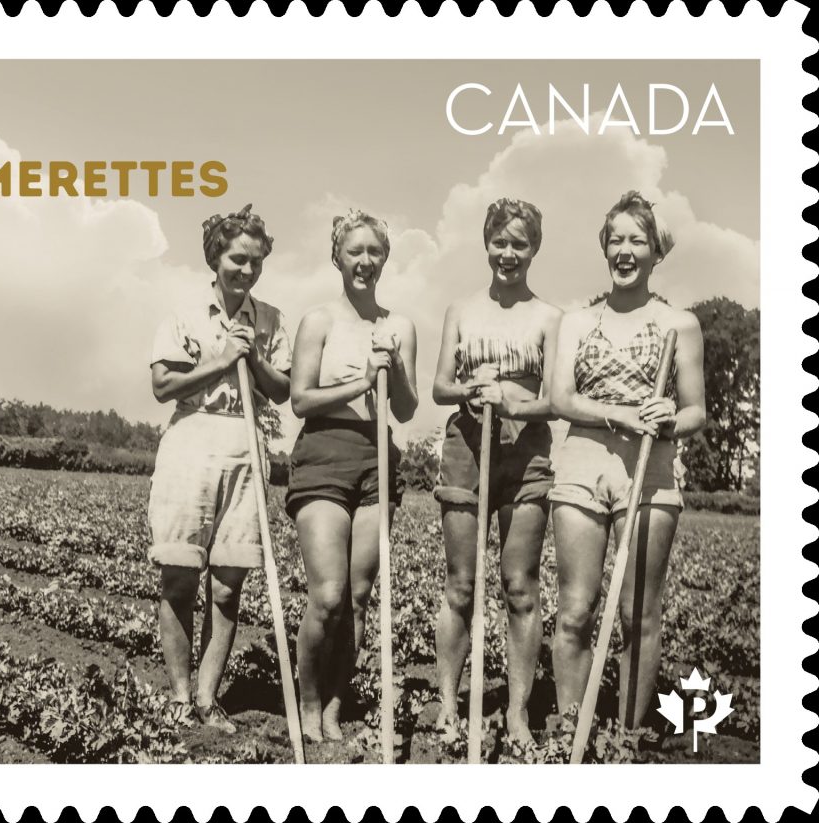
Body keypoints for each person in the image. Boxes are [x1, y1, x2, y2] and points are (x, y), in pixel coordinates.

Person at [548, 191, 706, 732]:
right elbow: (563, 399)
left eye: (637, 239)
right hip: (581, 464)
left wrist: (666, 417)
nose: (624, 249)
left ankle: (629, 739)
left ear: (656, 251)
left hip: (651, 467)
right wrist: (622, 415)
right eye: (615, 238)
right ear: (604, 248)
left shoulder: (679, 324)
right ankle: (574, 734)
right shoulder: (576, 320)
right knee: (575, 610)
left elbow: (696, 412)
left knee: (639, 614)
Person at [147, 204, 291, 733]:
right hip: (191, 439)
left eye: (256, 262)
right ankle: (181, 697)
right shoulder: (184, 315)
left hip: (246, 444)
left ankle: (209, 698)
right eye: (237, 260)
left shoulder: (271, 319)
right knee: (180, 575)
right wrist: (221, 358)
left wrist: (251, 359)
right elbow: (163, 386)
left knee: (229, 585)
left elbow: (284, 391)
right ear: (215, 257)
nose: (247, 271)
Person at [431, 198, 561, 746]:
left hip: (525, 451)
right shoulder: (461, 309)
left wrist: (511, 403)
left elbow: (555, 400)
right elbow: (440, 387)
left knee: (519, 586)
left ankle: (516, 711)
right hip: (467, 445)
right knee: (460, 584)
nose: (509, 253)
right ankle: (446, 704)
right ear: (486, 244)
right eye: (500, 242)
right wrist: (470, 391)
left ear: (534, 248)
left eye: (520, 243)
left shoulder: (549, 317)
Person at [287, 209, 418, 742]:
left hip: (376, 458)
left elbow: (406, 411)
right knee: (329, 595)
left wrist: (396, 371)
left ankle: (336, 704)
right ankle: (308, 702)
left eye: (375, 252)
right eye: (355, 251)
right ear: (337, 256)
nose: (365, 261)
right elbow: (300, 399)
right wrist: (362, 383)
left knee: (359, 597)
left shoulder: (399, 326)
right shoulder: (319, 321)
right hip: (322, 452)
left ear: (385, 258)